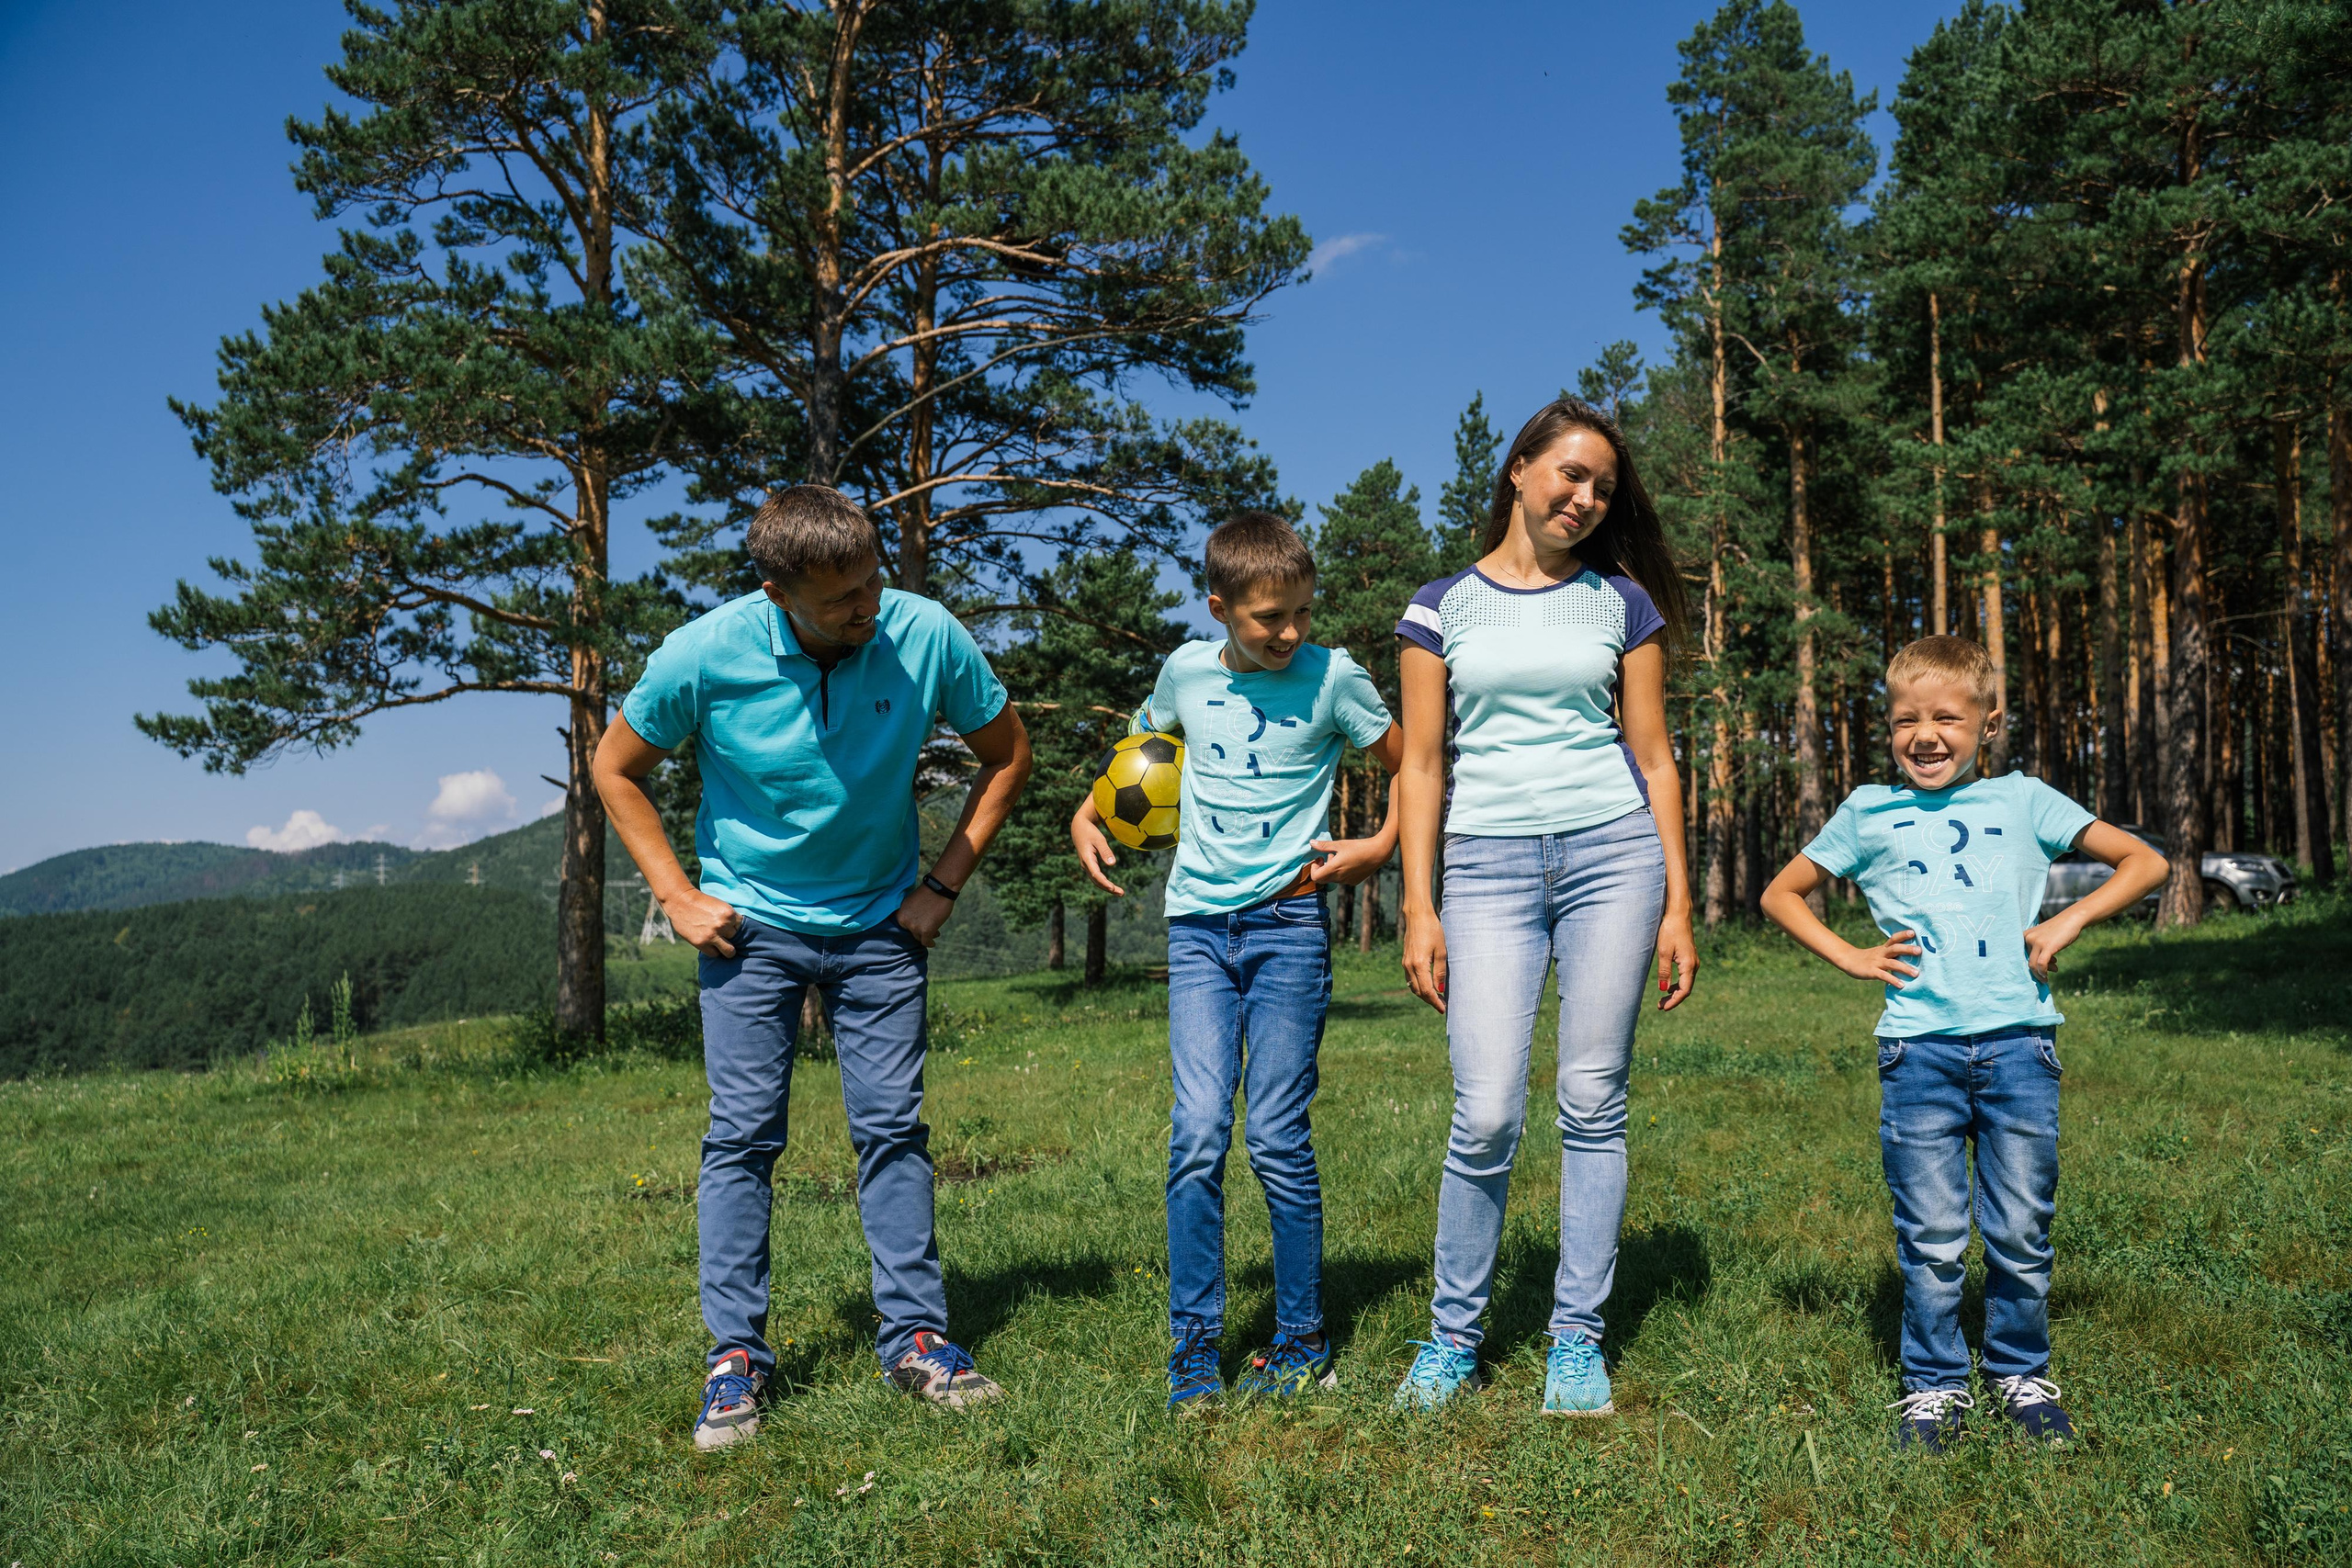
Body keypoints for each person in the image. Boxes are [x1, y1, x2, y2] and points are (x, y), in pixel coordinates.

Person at [594, 484, 1033, 1450]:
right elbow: (615, 766)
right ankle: (735, 1360)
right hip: (748, 930)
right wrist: (674, 892)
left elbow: (1008, 755)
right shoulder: (705, 652)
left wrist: (943, 885)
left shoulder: (925, 635)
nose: (865, 608)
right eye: (840, 598)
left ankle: (917, 1337)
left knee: (893, 1130)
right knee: (743, 1136)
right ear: (778, 591)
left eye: (872, 582)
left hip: (882, 924)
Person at [1761, 635, 2165, 1452]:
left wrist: (2068, 918)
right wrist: (1851, 955)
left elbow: (2143, 861)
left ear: (1989, 722)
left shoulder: (2024, 800)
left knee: (2020, 1228)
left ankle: (2020, 1371)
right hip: (1919, 1055)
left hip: (2021, 1048)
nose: (1925, 734)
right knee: (1935, 1236)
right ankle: (1935, 1386)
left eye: (1947, 716)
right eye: (1906, 718)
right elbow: (1783, 891)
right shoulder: (1868, 811)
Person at [1390, 397, 1696, 1416]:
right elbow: (1422, 767)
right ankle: (1451, 1339)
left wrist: (1678, 906)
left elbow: (1654, 760)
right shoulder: (1440, 607)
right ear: (1518, 470)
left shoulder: (1622, 603)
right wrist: (1418, 906)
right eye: (1569, 474)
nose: (1585, 497)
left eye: (1603, 487)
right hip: (1484, 868)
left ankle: (1575, 1340)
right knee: (1482, 1115)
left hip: (1613, 856)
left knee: (1591, 1101)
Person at [1072, 512, 1403, 1408]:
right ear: (1218, 606)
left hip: (1289, 928)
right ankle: (1192, 1357)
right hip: (1195, 933)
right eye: (1267, 618)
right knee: (1196, 1138)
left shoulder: (1335, 677)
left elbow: (1411, 763)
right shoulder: (1183, 670)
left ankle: (1302, 1344)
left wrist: (1382, 842)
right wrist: (1087, 811)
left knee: (1278, 1140)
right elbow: (1137, 753)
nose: (1289, 632)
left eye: (1301, 611)